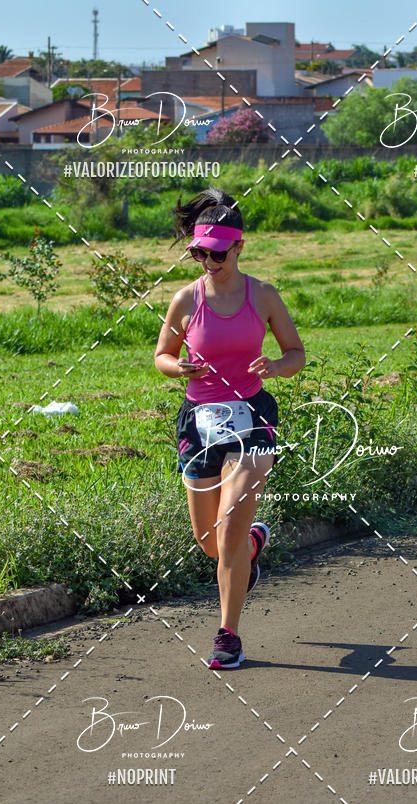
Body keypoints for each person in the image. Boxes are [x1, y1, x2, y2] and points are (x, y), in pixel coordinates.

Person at [155, 188, 305, 669]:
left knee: (230, 526)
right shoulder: (185, 299)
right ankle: (252, 546)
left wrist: (277, 368)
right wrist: (178, 370)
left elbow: (296, 353)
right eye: (199, 252)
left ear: (239, 248)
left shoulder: (262, 295)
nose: (208, 261)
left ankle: (228, 636)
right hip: (198, 422)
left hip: (252, 418)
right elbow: (161, 356)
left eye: (217, 253)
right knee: (211, 542)